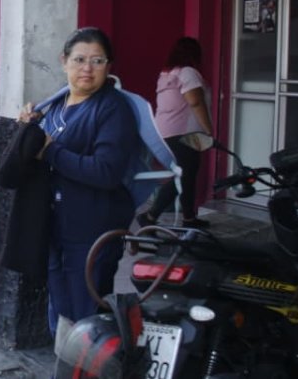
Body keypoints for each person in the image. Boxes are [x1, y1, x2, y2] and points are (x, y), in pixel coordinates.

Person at [17, 27, 139, 336]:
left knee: (86, 312)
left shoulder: (112, 108)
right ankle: (66, 365)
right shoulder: (56, 104)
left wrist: (50, 150)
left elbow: (106, 172)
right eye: (80, 59)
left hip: (92, 228)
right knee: (60, 308)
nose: (88, 68)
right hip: (54, 223)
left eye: (98, 60)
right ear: (64, 61)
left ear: (109, 66)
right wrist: (28, 131)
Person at [138, 37, 214, 229]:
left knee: (187, 176)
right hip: (184, 133)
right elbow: (195, 101)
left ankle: (189, 218)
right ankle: (150, 216)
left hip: (165, 132)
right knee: (185, 175)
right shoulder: (188, 73)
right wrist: (208, 130)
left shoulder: (167, 74)